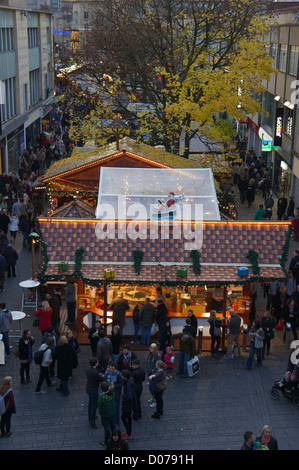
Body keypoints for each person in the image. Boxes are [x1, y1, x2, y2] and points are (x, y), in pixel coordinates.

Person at [97, 381, 117, 448]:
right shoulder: (113, 394)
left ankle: (107, 441)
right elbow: (115, 402)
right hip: (112, 413)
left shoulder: (101, 397)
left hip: (105, 415)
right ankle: (115, 439)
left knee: (107, 429)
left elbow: (99, 407)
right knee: (113, 427)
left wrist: (101, 413)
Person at [104, 362, 123, 428]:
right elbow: (104, 381)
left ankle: (116, 423)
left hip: (116, 394)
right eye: (110, 369)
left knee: (116, 408)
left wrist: (114, 386)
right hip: (108, 393)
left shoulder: (118, 375)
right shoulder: (107, 373)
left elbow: (121, 384)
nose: (111, 370)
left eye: (113, 369)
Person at [85, 357, 103, 429]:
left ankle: (90, 416)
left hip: (89, 388)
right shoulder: (94, 372)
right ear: (96, 363)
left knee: (91, 403)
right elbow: (101, 379)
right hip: (93, 390)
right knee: (94, 404)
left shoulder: (89, 370)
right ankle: (92, 420)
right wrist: (102, 376)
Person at [120, 369, 135, 439]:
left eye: (122, 375)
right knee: (128, 418)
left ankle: (129, 433)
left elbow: (129, 395)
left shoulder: (128, 383)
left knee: (123, 417)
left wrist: (123, 397)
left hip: (127, 404)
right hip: (130, 403)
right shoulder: (129, 380)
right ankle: (129, 432)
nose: (121, 377)